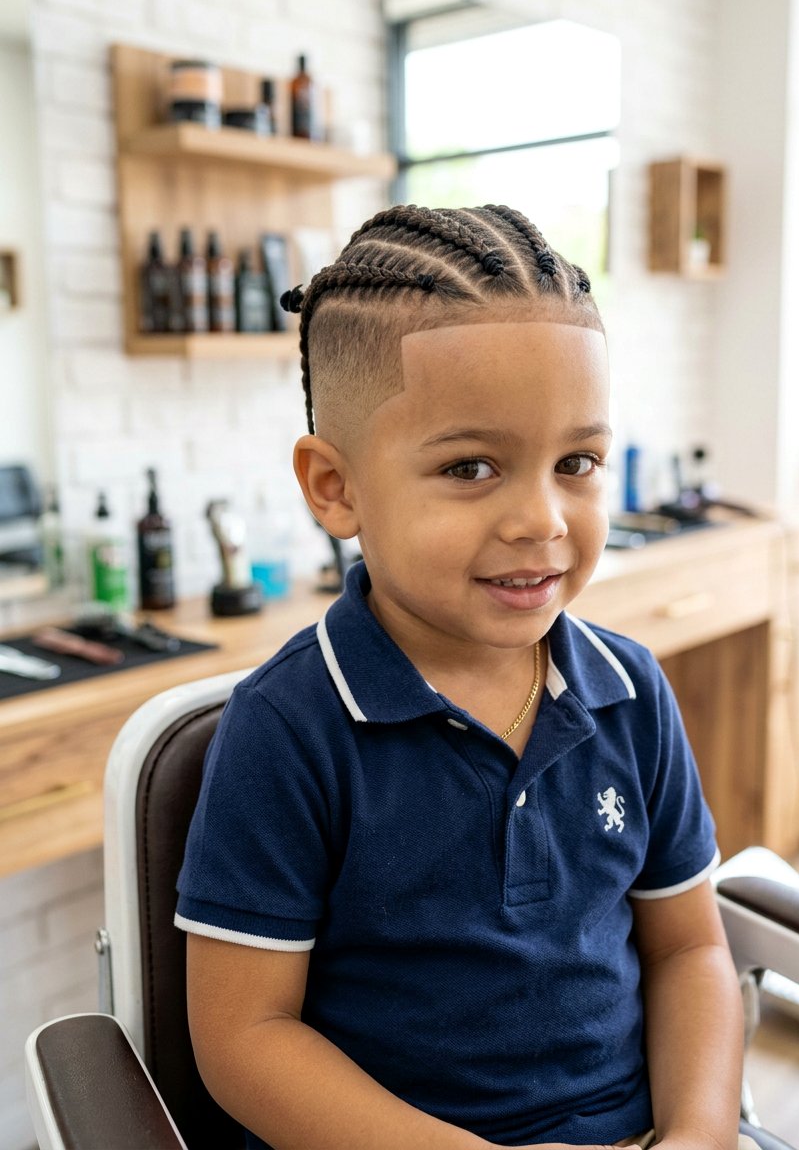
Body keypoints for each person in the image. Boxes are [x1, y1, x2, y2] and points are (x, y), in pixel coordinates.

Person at [175, 203, 755, 1150]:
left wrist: (698, 1134)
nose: (543, 520)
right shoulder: (287, 730)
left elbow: (690, 946)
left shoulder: (632, 692)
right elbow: (244, 1039)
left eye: (578, 462)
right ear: (336, 487)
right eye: (473, 466)